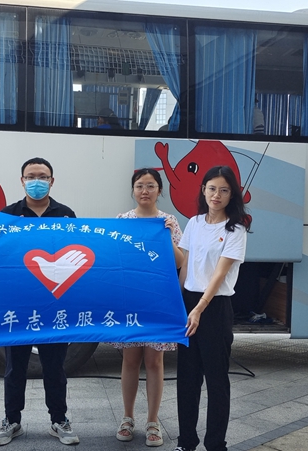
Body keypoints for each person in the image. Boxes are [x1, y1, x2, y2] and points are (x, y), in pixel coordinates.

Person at [0, 157, 80, 447]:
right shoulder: (8, 215)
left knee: (55, 368)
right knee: (15, 367)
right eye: (31, 176)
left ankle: (59, 420)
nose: (36, 181)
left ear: (52, 181)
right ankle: (11, 420)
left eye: (42, 176)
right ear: (22, 181)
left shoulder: (65, 215)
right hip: (18, 305)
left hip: (55, 305)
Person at [174, 166, 251, 451]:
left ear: (232, 195)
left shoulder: (236, 229)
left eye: (224, 190)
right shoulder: (194, 223)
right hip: (190, 303)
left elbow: (219, 274)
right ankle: (186, 442)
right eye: (212, 188)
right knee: (187, 378)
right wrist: (179, 301)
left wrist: (200, 309)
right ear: (203, 190)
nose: (216, 195)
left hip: (215, 307)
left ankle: (216, 443)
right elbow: (186, 265)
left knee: (217, 380)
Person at [110, 168, 184, 447]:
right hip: (130, 298)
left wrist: (166, 237)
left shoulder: (169, 221)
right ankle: (127, 418)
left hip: (158, 299)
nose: (145, 191)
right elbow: (113, 258)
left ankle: (153, 421)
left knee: (154, 361)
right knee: (130, 360)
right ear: (133, 190)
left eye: (151, 185)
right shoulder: (122, 221)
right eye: (140, 185)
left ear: (159, 190)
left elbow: (179, 262)